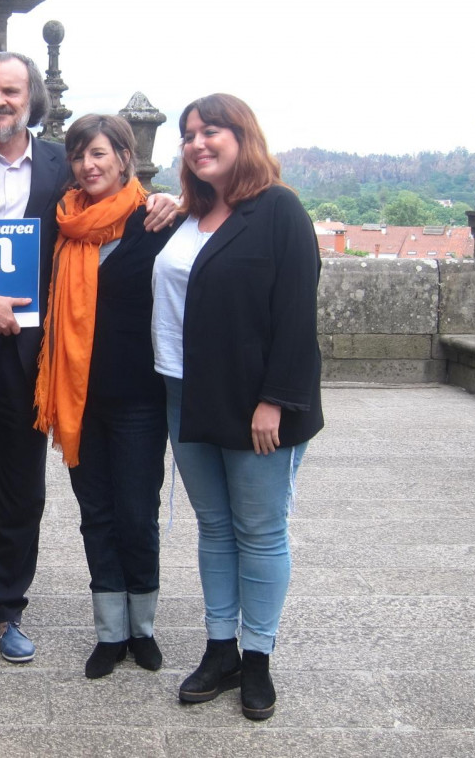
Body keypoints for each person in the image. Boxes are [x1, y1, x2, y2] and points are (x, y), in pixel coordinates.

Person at [0, 53, 179, 670]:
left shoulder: (62, 164)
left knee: (22, 492)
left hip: (34, 360)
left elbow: (108, 208)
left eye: (11, 91)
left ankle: (7, 608)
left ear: (32, 100)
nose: (0, 101)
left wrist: (164, 203)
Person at [152, 93, 323, 721]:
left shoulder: (277, 210)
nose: (198, 143)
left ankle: (258, 660)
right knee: (215, 528)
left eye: (211, 131)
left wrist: (274, 401)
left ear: (241, 135)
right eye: (189, 135)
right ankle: (220, 648)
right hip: (183, 392)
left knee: (260, 529)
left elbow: (296, 316)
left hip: (256, 404)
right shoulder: (186, 216)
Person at [33, 114, 175, 680]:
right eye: (78, 156)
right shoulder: (62, 223)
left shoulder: (157, 220)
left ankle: (143, 628)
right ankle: (109, 632)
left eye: (98, 154)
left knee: (136, 514)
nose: (87, 166)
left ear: (124, 156)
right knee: (97, 514)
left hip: (140, 397)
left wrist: (181, 200)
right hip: (79, 397)